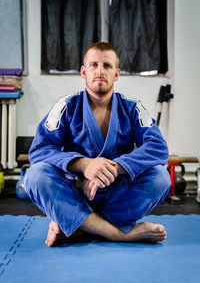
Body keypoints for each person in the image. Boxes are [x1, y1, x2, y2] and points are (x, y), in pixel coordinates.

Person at [24, 41, 171, 247]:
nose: (100, 71)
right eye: (93, 65)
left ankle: (76, 227)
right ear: (83, 72)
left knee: (161, 177)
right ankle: (119, 234)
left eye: (107, 66)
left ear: (117, 74)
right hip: (76, 192)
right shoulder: (66, 106)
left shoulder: (132, 107)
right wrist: (84, 165)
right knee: (35, 176)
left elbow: (158, 147)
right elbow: (40, 150)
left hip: (117, 193)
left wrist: (114, 169)